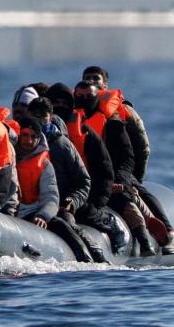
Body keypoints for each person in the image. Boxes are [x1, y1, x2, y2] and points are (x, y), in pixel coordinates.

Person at [81, 66, 174, 254]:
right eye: (88, 78)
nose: (92, 82)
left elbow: (142, 145)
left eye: (96, 78)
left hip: (122, 167)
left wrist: (134, 176)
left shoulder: (123, 111)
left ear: (105, 84)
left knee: (137, 191)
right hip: (93, 170)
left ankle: (168, 232)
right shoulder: (78, 112)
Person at [74, 80, 157, 256]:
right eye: (80, 97)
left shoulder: (113, 125)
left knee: (124, 198)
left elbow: (128, 157)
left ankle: (144, 239)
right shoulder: (69, 124)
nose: (84, 100)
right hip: (80, 182)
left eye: (89, 96)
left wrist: (120, 181)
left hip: (111, 179)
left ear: (98, 97)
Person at [27, 98, 107, 262]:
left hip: (60, 205)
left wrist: (73, 201)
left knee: (68, 224)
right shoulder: (22, 143)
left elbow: (84, 181)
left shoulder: (62, 145)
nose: (39, 120)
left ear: (50, 117)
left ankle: (95, 256)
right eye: (34, 115)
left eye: (43, 116)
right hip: (28, 205)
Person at [45, 83, 123, 251]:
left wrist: (97, 201)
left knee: (83, 213)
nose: (60, 106)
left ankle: (106, 224)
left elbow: (103, 171)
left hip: (76, 196)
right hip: (42, 197)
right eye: (55, 102)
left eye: (64, 103)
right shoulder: (31, 136)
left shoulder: (84, 134)